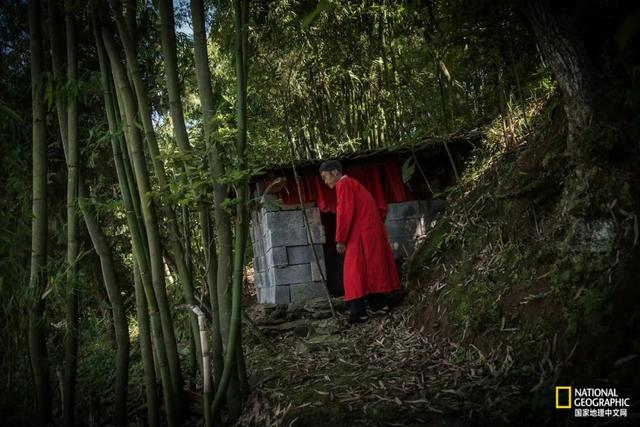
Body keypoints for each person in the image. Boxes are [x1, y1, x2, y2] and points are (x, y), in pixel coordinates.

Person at [319, 160, 401, 324]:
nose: (326, 182)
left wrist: (340, 239)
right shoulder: (353, 184)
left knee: (353, 272)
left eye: (325, 177)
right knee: (368, 268)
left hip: (361, 234)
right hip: (368, 232)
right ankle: (379, 304)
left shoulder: (344, 185)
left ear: (335, 172)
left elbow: (344, 213)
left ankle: (358, 312)